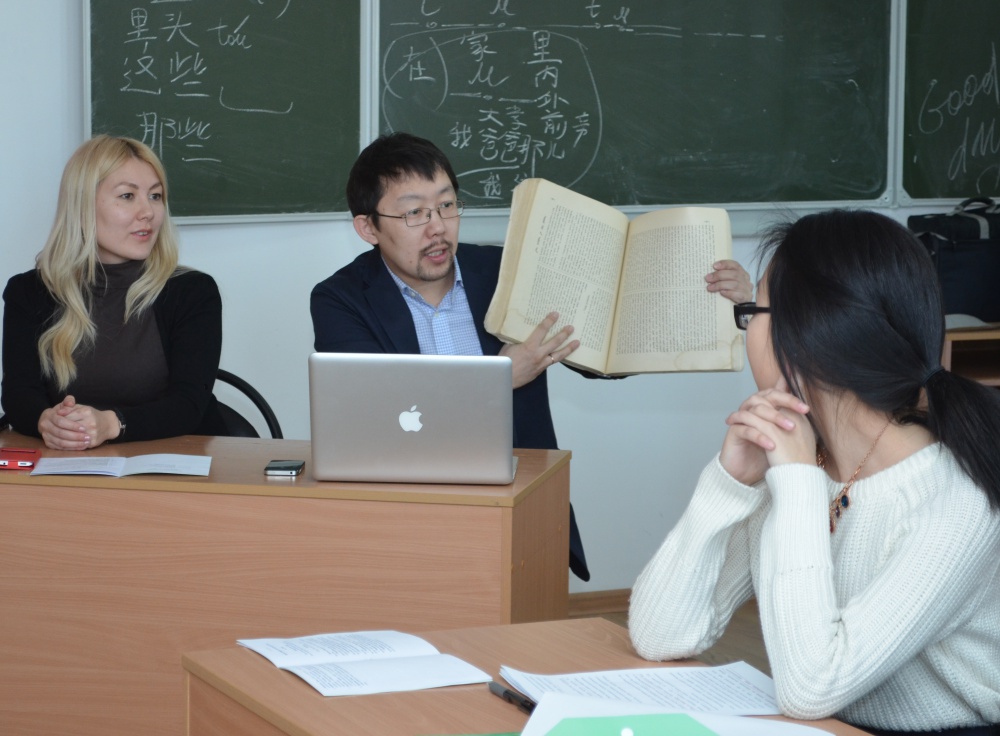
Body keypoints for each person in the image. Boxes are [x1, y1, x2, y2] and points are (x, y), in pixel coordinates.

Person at [310, 132, 752, 581]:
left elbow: (606, 346)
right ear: (368, 228)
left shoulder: (507, 272)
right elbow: (379, 413)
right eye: (414, 213)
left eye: (446, 205)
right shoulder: (340, 300)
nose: (438, 227)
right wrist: (500, 377)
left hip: (520, 502)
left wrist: (723, 306)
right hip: (405, 510)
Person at [628, 210, 1000, 735]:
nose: (748, 331)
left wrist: (797, 481)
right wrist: (727, 484)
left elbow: (810, 689)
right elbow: (660, 635)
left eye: (752, 312)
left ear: (807, 333)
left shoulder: (955, 501)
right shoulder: (803, 460)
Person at [1, 134, 226, 449]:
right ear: (82, 206)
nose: (148, 212)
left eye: (155, 196)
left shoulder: (191, 291)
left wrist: (111, 424)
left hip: (179, 461)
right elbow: (18, 394)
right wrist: (46, 420)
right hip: (71, 465)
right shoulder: (29, 292)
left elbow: (188, 404)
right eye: (127, 196)